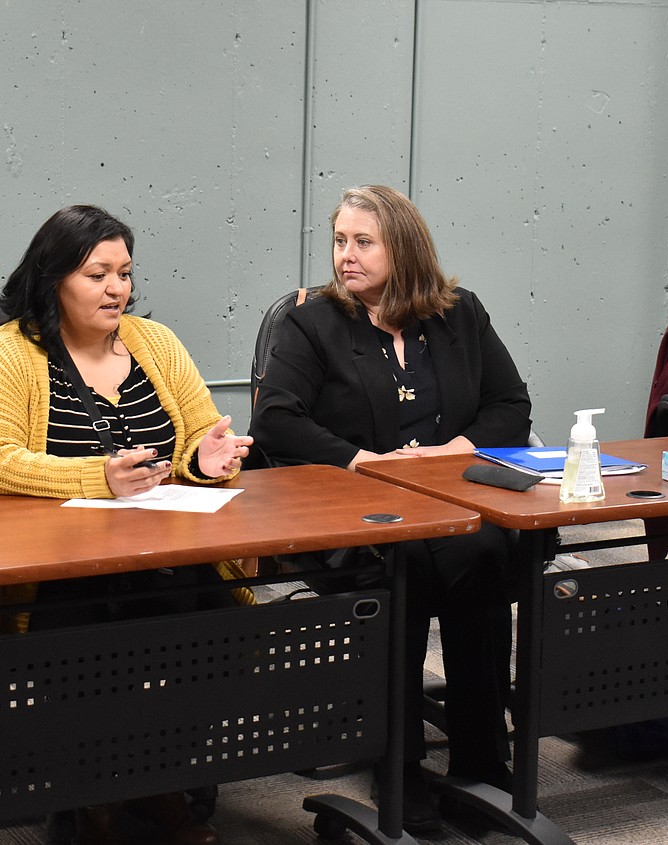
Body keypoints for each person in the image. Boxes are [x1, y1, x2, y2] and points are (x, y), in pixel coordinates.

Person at [0, 204, 252, 845]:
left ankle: (158, 782)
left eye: (124, 273)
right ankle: (95, 797)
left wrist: (207, 459)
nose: (117, 289)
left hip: (161, 549)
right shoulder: (7, 351)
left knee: (208, 625)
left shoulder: (156, 343)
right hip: (51, 564)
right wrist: (98, 479)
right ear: (53, 278)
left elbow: (200, 430)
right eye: (97, 275)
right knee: (90, 632)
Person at [248, 185, 532, 832]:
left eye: (362, 241)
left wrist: (447, 452)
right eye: (340, 241)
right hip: (354, 511)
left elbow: (511, 405)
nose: (345, 256)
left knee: (486, 552)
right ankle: (399, 767)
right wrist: (369, 461)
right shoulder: (311, 322)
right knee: (408, 571)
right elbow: (275, 420)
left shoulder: (460, 315)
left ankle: (481, 762)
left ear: (402, 247)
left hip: (448, 498)